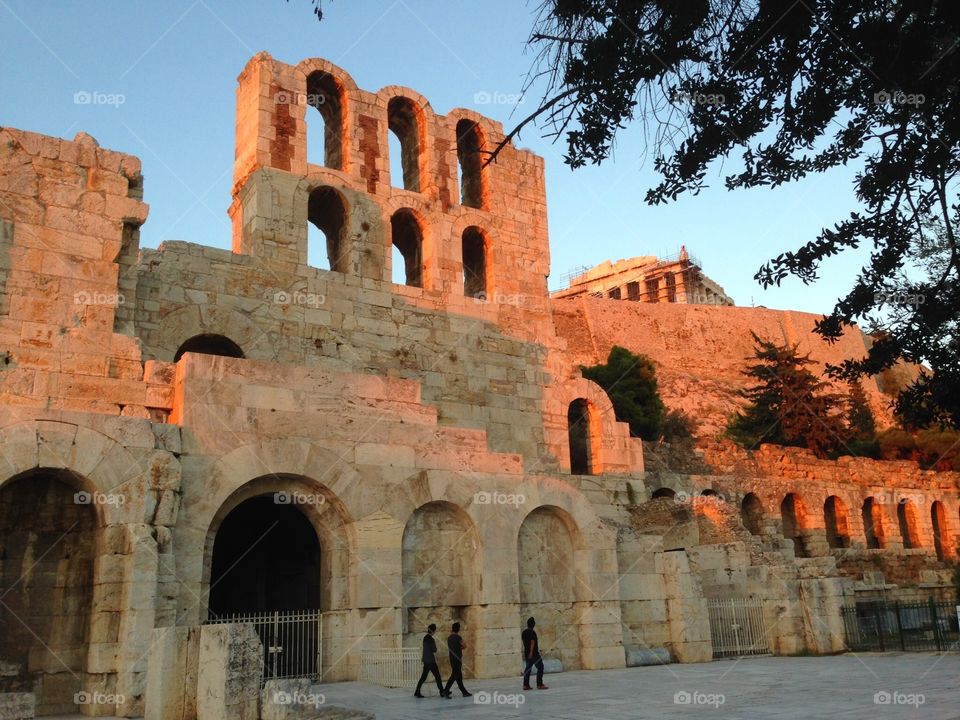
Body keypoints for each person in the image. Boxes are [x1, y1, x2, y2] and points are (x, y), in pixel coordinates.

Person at [414, 623, 447, 698]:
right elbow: (434, 650)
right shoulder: (431, 639)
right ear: (433, 631)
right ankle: (442, 692)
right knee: (437, 676)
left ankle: (417, 691)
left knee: (423, 677)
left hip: (426, 660)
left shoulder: (425, 637)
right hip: (431, 661)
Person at [443, 622, 472, 697]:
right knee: (455, 675)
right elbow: (465, 646)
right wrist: (460, 648)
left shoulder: (449, 638)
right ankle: (446, 690)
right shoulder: (458, 637)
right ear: (458, 629)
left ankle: (464, 692)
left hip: (452, 658)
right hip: (457, 659)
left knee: (458, 676)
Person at [521, 616, 548, 690]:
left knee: (528, 669)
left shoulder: (524, 632)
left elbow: (524, 642)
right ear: (533, 625)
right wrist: (531, 652)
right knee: (540, 667)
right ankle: (540, 684)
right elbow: (532, 642)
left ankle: (525, 685)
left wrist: (527, 652)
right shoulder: (532, 632)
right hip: (534, 654)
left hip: (527, 653)